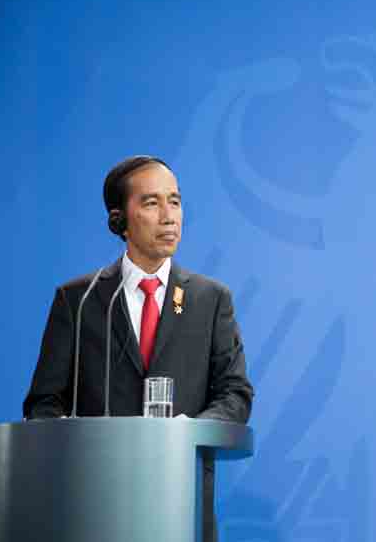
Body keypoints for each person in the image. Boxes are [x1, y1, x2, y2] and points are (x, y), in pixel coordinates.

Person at [23, 155, 254, 542]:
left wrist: (186, 432)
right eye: (151, 203)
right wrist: (75, 440)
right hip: (93, 503)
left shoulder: (211, 300)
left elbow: (235, 394)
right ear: (120, 221)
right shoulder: (80, 299)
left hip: (181, 500)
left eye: (175, 201)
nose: (169, 216)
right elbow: (44, 402)